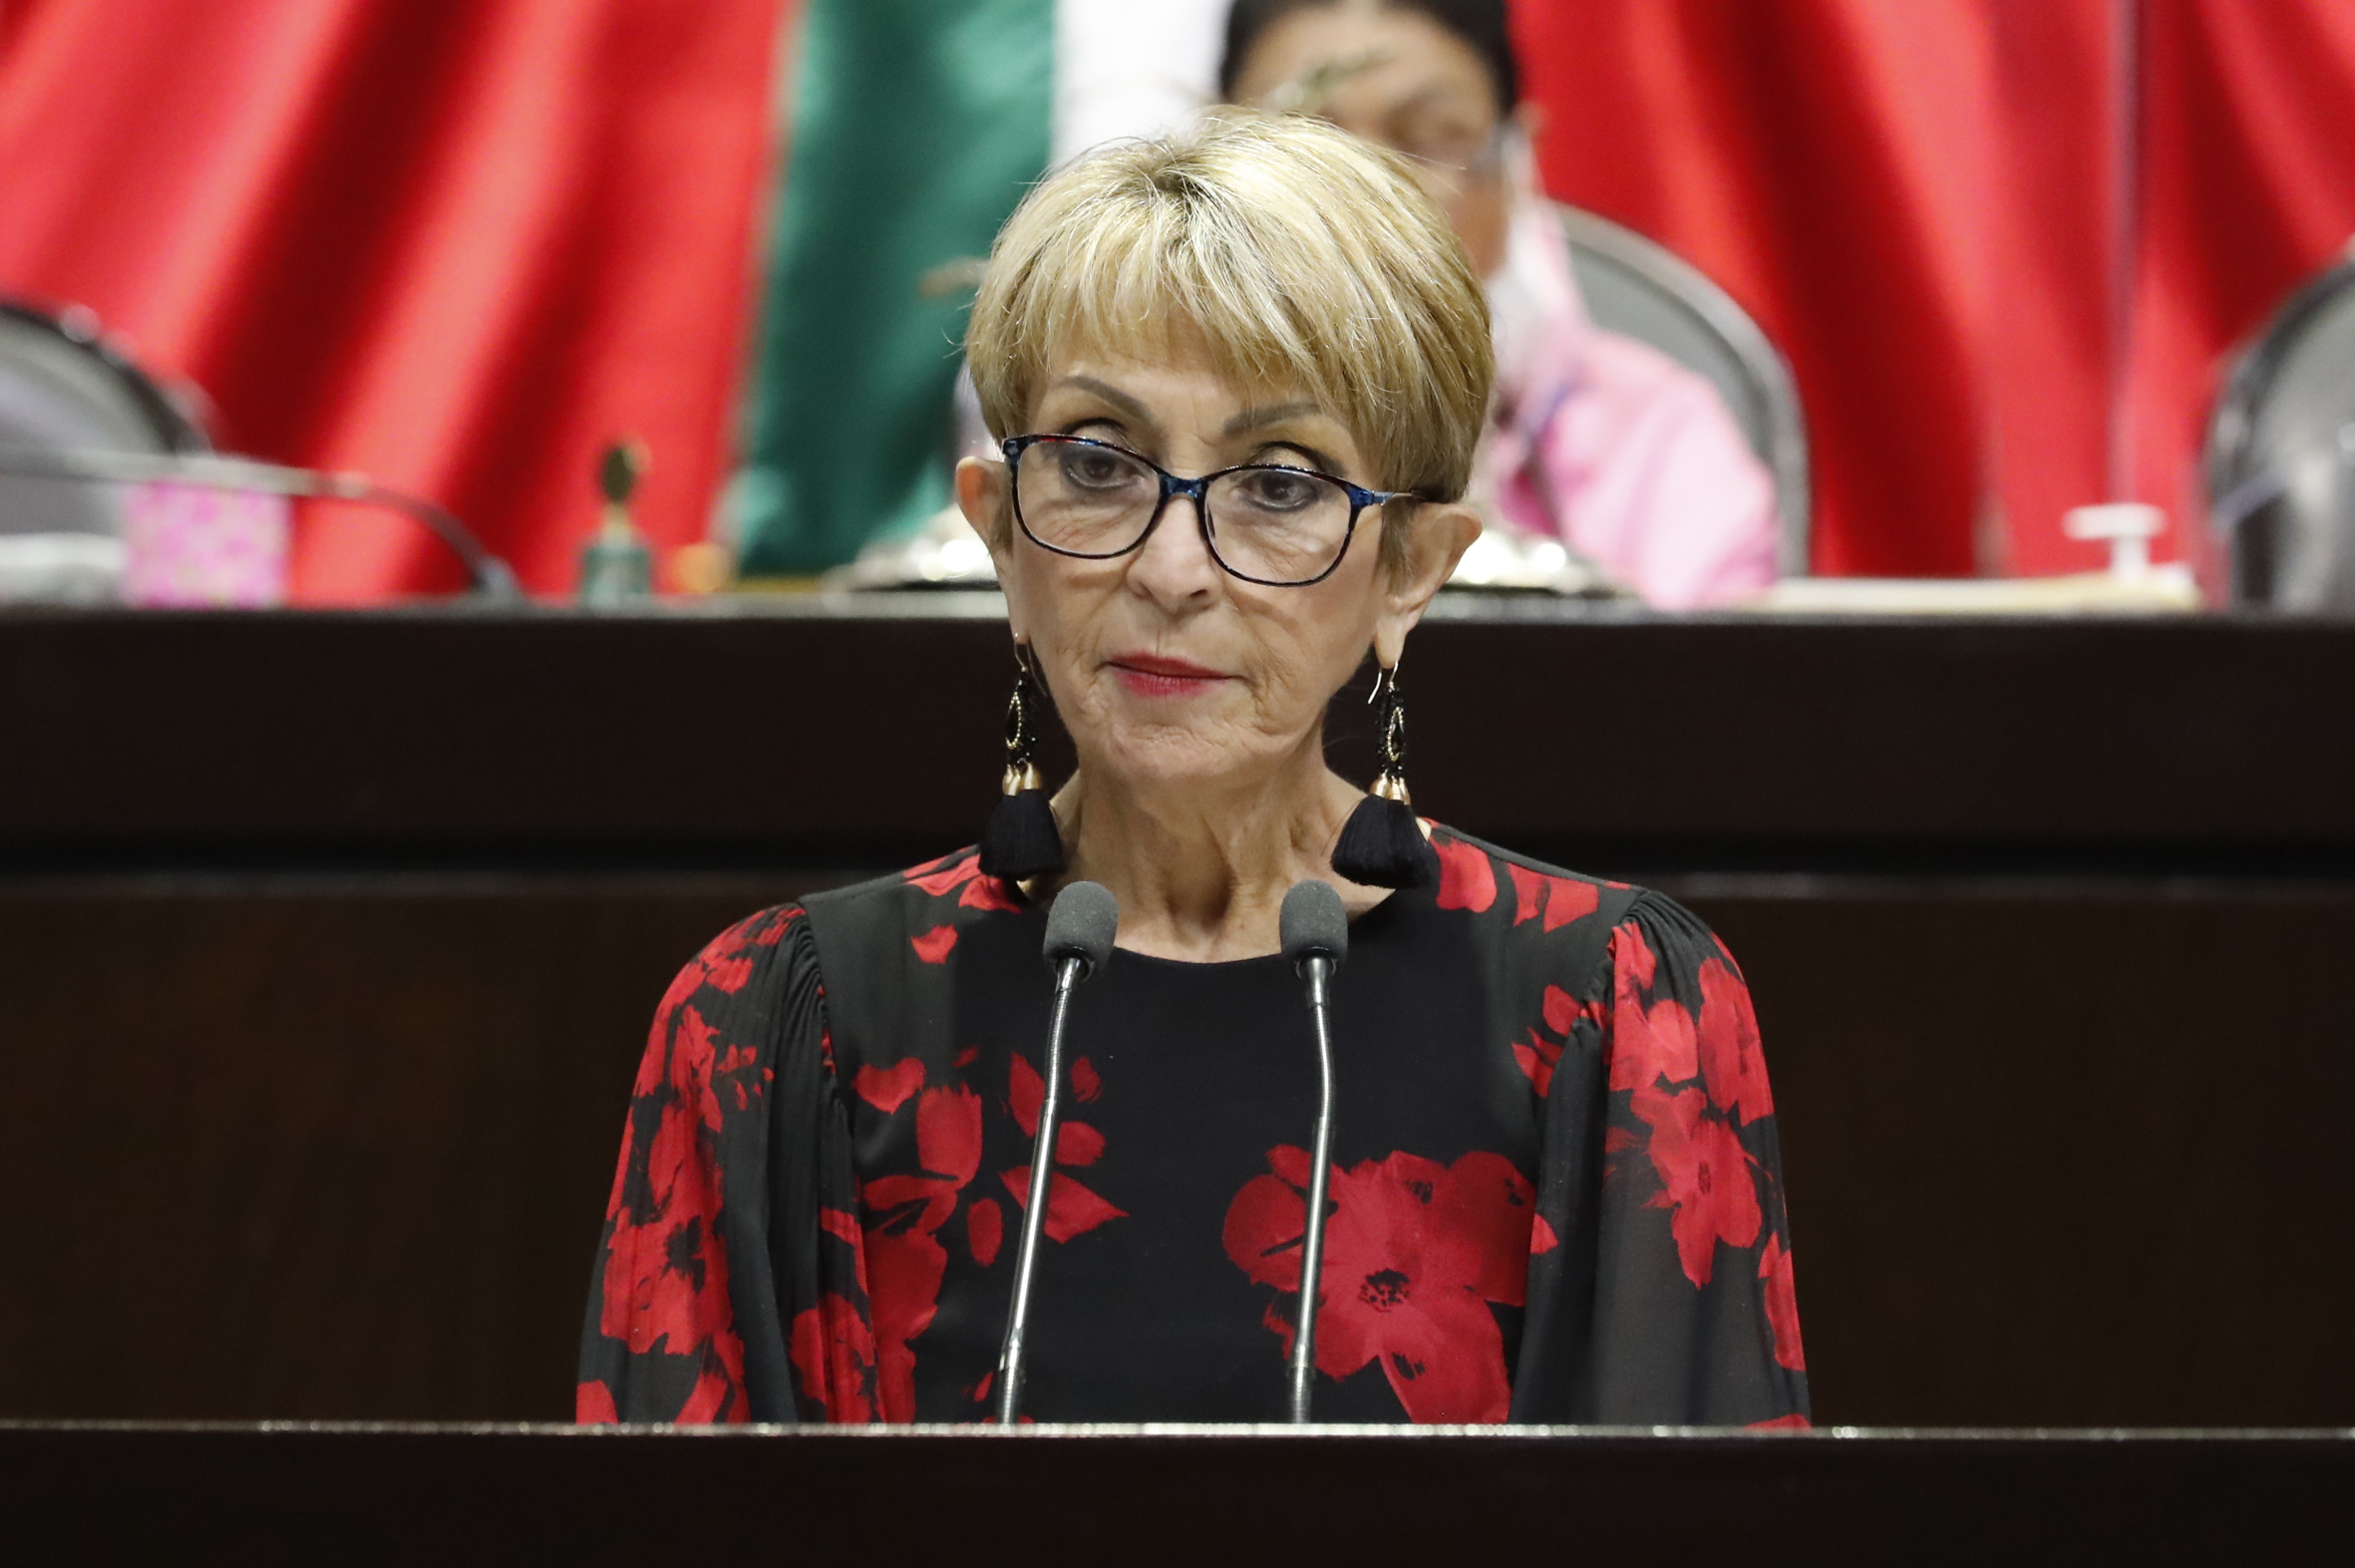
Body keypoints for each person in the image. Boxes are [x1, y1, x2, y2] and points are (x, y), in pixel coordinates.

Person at [578, 112, 1807, 1426]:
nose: (1171, 571)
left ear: (1409, 569)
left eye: (1279, 484)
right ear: (1000, 537)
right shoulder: (777, 1030)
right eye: (1097, 463)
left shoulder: (1615, 1019)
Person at [1223, 0, 1781, 607]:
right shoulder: (1149, 415)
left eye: (1427, 139)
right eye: (1307, 141)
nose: (1369, 188)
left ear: (1517, 161)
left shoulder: (1657, 439)